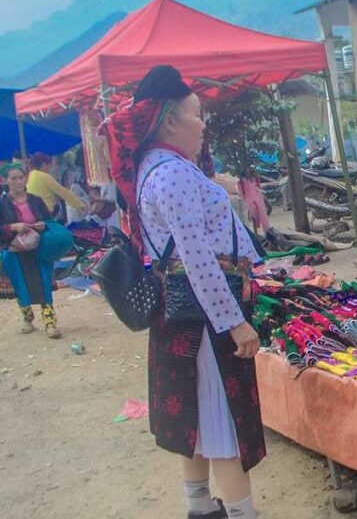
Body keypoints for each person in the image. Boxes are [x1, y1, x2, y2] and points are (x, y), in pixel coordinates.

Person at [100, 65, 264, 519]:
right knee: (224, 427)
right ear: (170, 121)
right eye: (197, 114)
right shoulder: (171, 175)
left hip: (184, 316)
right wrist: (235, 325)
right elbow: (198, 261)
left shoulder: (160, 169)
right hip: (205, 319)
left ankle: (199, 509)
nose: (203, 124)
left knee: (195, 419)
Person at [0, 162, 62, 338]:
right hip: (14, 250)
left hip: (38, 248)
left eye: (21, 177)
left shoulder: (35, 200)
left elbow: (49, 222)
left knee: (44, 284)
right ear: (5, 181)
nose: (19, 181)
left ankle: (50, 323)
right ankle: (27, 319)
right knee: (21, 285)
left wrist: (43, 225)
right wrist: (12, 227)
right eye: (14, 178)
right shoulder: (2, 204)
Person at [26, 152, 87, 218]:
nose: (49, 168)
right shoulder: (44, 177)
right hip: (44, 210)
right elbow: (63, 192)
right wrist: (80, 205)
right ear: (43, 164)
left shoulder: (31, 174)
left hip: (32, 209)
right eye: (49, 165)